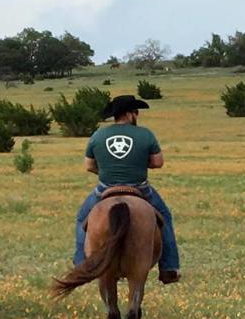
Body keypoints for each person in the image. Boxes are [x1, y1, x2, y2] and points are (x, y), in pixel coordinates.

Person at [74, 94, 181, 284]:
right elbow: (158, 162)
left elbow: (89, 165)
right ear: (129, 114)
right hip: (139, 188)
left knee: (83, 218)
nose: (137, 115)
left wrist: (107, 170)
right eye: (136, 111)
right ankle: (169, 267)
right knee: (165, 216)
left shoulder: (98, 135)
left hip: (105, 189)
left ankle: (81, 263)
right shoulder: (145, 134)